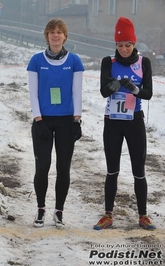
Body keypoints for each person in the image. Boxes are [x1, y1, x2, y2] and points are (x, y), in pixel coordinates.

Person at [93, 17, 155, 231]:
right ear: (116, 45)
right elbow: (103, 91)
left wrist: (133, 89)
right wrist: (115, 85)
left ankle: (143, 215)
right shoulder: (108, 62)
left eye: (128, 45)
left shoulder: (143, 63)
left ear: (134, 44)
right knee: (112, 170)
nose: (124, 49)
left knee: (139, 170)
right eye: (120, 45)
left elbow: (148, 93)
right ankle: (108, 214)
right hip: (112, 122)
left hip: (134, 121)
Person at [26, 18, 84, 228]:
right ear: (47, 36)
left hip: (66, 122)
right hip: (43, 121)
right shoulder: (36, 60)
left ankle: (59, 211)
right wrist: (38, 118)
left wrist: (77, 119)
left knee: (63, 168)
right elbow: (33, 92)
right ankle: (41, 209)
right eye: (52, 32)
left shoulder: (75, 61)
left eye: (59, 32)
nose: (56, 35)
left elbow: (77, 91)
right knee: (42, 166)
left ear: (65, 36)